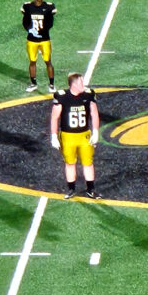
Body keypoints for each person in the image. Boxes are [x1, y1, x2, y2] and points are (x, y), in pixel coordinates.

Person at [50, 72, 101, 200]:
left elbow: (94, 114)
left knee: (88, 163)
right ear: (73, 84)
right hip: (68, 136)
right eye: (80, 83)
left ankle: (91, 190)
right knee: (70, 163)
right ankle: (71, 189)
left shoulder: (88, 95)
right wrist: (53, 135)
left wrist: (95, 131)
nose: (83, 85)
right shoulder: (62, 97)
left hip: (84, 134)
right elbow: (54, 117)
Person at [21, 0, 57, 93]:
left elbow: (50, 23)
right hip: (32, 40)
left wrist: (41, 32)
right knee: (32, 61)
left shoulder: (48, 7)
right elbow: (25, 22)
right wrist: (30, 30)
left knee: (48, 61)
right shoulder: (28, 6)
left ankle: (51, 84)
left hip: (44, 39)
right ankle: (33, 83)